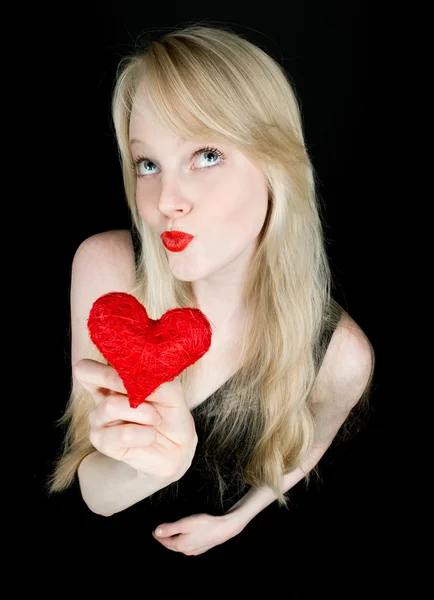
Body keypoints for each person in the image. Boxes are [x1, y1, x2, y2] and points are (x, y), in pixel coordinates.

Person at [48, 24, 375, 557]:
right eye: (147, 164)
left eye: (205, 155)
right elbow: (94, 494)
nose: (166, 200)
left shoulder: (342, 356)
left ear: (277, 166)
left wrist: (235, 521)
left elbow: (305, 451)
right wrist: (154, 467)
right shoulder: (107, 271)